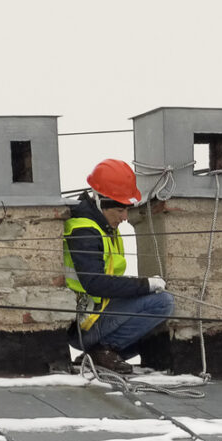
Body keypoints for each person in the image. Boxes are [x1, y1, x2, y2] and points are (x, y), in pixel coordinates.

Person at [63, 160, 172, 375]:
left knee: (147, 335)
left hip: (95, 316)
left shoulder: (103, 226)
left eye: (127, 210)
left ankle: (104, 352)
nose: (125, 218)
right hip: (84, 326)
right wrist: (145, 285)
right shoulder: (84, 230)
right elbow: (95, 284)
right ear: (100, 201)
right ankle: (101, 352)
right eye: (120, 210)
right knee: (162, 302)